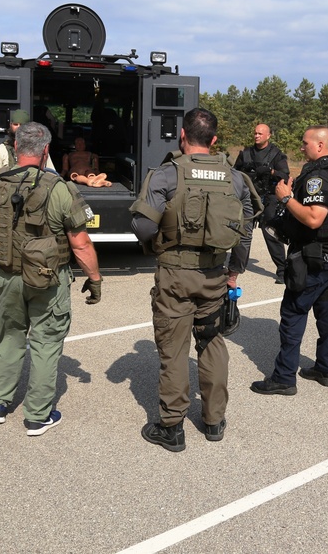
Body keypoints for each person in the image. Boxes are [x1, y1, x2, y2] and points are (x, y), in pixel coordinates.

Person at [0, 122, 102, 436]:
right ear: (45, 151)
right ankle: (37, 416)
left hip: (5, 278)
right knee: (45, 344)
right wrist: (94, 279)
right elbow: (80, 243)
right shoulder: (60, 188)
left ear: (15, 148)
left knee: (7, 338)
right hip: (48, 280)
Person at [130, 108, 252, 452]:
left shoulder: (167, 174)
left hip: (174, 276)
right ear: (214, 141)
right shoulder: (235, 178)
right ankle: (214, 421)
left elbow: (143, 226)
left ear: (182, 137)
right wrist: (234, 272)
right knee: (212, 343)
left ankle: (172, 427)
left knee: (174, 350)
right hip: (215, 275)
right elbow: (244, 233)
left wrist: (157, 242)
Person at [251, 126, 328, 396]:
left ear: (320, 145)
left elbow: (313, 218)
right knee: (326, 305)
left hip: (316, 255)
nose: (301, 147)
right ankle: (326, 367)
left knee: (293, 311)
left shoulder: (320, 176)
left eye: (305, 143)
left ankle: (284, 377)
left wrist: (285, 197)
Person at [234, 123, 289, 283]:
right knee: (243, 232)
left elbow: (285, 176)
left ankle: (282, 271)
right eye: (255, 133)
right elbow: (234, 173)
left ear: (268, 136)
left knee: (271, 233)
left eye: (260, 133)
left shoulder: (276, 154)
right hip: (249, 197)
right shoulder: (245, 153)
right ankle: (237, 266)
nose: (256, 136)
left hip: (269, 198)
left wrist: (271, 172)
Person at [0, 109, 55, 173]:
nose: (19, 127)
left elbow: (51, 174)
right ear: (10, 125)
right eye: (15, 124)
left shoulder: (40, 149)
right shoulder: (0, 150)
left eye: (22, 125)